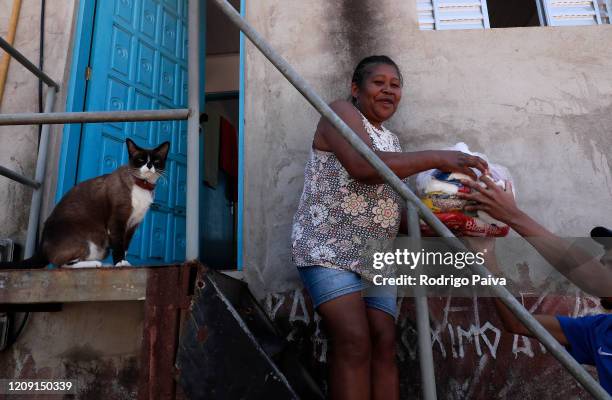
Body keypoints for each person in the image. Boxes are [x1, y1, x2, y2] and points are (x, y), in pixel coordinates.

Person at [291, 55, 489, 400]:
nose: (388, 90)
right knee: (354, 339)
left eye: (395, 85)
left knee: (384, 340)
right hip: (327, 248)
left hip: (375, 257)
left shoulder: (392, 142)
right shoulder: (338, 112)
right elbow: (363, 167)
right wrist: (440, 157)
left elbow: (386, 209)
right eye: (378, 82)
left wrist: (452, 224)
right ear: (356, 89)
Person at [459, 177, 611, 395]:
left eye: (610, 265)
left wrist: (512, 216)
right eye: (602, 262)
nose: (602, 266)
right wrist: (486, 255)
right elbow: (519, 323)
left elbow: (591, 278)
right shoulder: (598, 330)